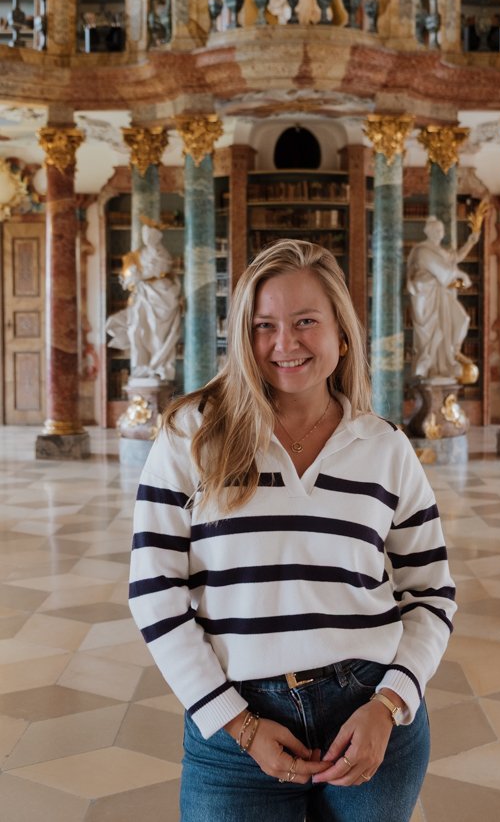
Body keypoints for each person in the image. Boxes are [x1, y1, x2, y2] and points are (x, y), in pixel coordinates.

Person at [129, 238, 456, 822]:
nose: (285, 343)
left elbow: (431, 591)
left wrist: (390, 703)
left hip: (370, 713)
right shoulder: (191, 436)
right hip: (235, 725)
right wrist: (239, 723)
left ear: (342, 334)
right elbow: (155, 593)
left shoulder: (385, 447)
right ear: (242, 335)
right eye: (264, 326)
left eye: (306, 321)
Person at [106, 222, 181, 381]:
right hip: (142, 296)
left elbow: (162, 270)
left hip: (160, 295)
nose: (147, 238)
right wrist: (132, 277)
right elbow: (128, 280)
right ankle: (141, 365)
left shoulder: (162, 253)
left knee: (157, 334)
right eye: (145, 235)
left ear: (157, 236)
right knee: (136, 330)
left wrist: (141, 275)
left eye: (150, 235)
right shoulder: (138, 255)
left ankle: (158, 365)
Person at [406, 216, 479, 381]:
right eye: (437, 230)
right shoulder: (422, 251)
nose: (440, 233)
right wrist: (462, 275)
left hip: (441, 296)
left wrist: (470, 242)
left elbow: (455, 258)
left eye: (441, 230)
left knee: (462, 319)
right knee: (432, 336)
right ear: (428, 231)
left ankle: (452, 354)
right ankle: (432, 367)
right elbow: (444, 270)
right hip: (427, 299)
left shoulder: (439, 251)